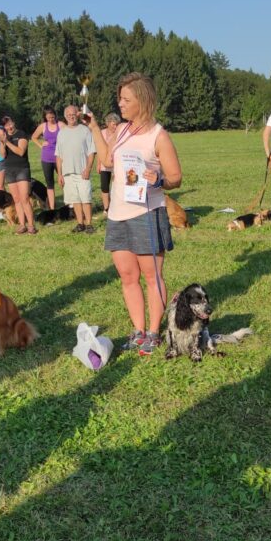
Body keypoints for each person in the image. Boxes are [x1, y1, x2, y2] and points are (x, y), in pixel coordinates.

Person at [87, 72, 182, 355]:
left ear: (142, 100)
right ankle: (138, 331)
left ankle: (153, 332)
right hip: (118, 214)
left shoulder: (158, 135)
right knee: (128, 276)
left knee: (152, 276)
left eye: (126, 99)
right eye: (120, 98)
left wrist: (159, 180)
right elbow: (107, 161)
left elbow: (176, 177)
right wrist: (94, 128)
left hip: (147, 213)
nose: (120, 104)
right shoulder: (122, 130)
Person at [55, 105, 97, 233]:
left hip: (82, 172)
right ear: (65, 116)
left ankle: (89, 224)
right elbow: (59, 155)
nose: (71, 117)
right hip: (67, 173)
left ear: (77, 115)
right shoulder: (61, 133)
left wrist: (88, 169)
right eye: (68, 115)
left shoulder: (85, 130)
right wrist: (60, 174)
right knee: (75, 200)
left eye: (73, 114)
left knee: (86, 198)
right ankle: (80, 223)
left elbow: (91, 151)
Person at [0, 115, 37, 234]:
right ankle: (22, 225)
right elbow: (2, 155)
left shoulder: (21, 134)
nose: (9, 127)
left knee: (24, 198)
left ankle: (31, 225)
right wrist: (2, 142)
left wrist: (7, 142)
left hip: (22, 169)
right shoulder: (4, 137)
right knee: (16, 199)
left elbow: (21, 152)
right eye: (6, 125)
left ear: (14, 123)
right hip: (10, 170)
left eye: (10, 124)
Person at [30, 106, 63, 210]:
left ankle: (69, 203)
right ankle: (52, 208)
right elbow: (33, 137)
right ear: (45, 117)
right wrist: (41, 145)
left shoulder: (61, 125)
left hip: (59, 158)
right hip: (46, 158)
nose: (51, 119)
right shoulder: (43, 126)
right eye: (49, 118)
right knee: (50, 184)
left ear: (55, 115)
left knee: (64, 180)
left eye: (53, 117)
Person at [99, 112, 121, 214]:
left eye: (117, 124)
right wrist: (98, 163)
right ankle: (106, 208)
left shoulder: (119, 134)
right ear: (108, 123)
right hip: (104, 164)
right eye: (113, 124)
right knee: (104, 187)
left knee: (116, 186)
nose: (115, 126)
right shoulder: (102, 133)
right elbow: (100, 149)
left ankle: (116, 206)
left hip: (116, 164)